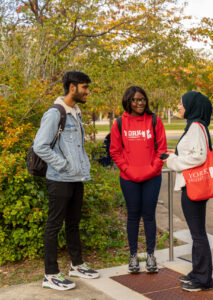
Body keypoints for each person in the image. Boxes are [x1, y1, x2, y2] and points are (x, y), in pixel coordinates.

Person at [33, 71, 99, 291]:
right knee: (54, 224)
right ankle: (50, 274)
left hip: (76, 178)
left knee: (73, 222)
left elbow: (77, 146)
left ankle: (77, 265)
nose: (87, 92)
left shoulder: (76, 112)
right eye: (84, 87)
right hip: (59, 178)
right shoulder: (55, 113)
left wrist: (83, 167)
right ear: (72, 87)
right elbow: (40, 146)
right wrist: (62, 165)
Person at [110, 86, 167, 274]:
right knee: (133, 215)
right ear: (128, 101)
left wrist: (152, 169)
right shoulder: (119, 123)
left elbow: (162, 150)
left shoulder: (155, 120)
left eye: (142, 99)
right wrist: (127, 170)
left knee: (149, 215)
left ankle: (151, 255)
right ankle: (133, 256)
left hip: (152, 177)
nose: (140, 103)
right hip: (129, 178)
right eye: (135, 100)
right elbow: (115, 151)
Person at [166, 91, 213, 292]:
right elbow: (195, 153)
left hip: (193, 186)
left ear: (192, 106)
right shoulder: (195, 125)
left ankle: (203, 279)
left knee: (198, 234)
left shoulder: (195, 127)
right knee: (197, 234)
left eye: (181, 103)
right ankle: (198, 272)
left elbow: (200, 157)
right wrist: (174, 155)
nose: (179, 106)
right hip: (192, 185)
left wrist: (172, 161)